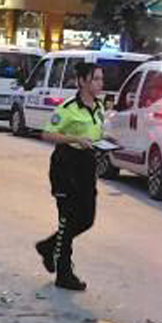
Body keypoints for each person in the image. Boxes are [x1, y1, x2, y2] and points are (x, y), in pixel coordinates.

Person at [33, 62, 112, 291]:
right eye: (96, 79)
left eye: (101, 79)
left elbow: (96, 134)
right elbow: (47, 134)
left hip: (87, 166)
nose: (100, 83)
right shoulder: (68, 108)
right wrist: (75, 140)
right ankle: (64, 273)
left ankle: (48, 247)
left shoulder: (98, 107)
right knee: (67, 219)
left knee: (87, 218)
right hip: (66, 166)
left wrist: (105, 144)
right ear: (82, 81)